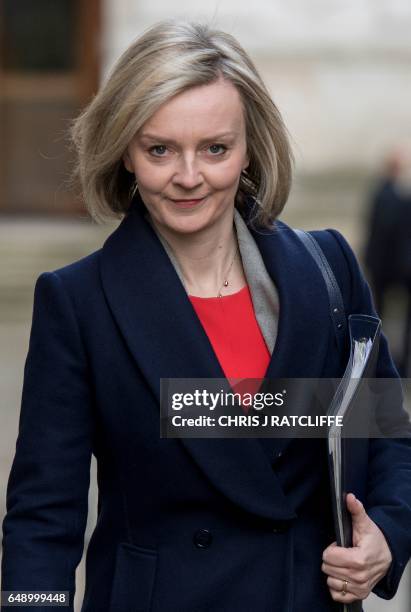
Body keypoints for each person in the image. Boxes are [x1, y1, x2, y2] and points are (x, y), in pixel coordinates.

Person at [1, 19, 411, 612]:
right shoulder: (77, 302)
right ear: (125, 153)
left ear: (249, 150)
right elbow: (43, 518)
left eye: (215, 148)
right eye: (159, 149)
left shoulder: (330, 269)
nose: (189, 177)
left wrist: (388, 538)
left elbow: (388, 436)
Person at [364, 148, 411, 377]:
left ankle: (382, 361)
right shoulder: (397, 198)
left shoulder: (381, 194)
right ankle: (395, 363)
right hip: (396, 268)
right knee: (388, 317)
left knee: (380, 315)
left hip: (384, 266)